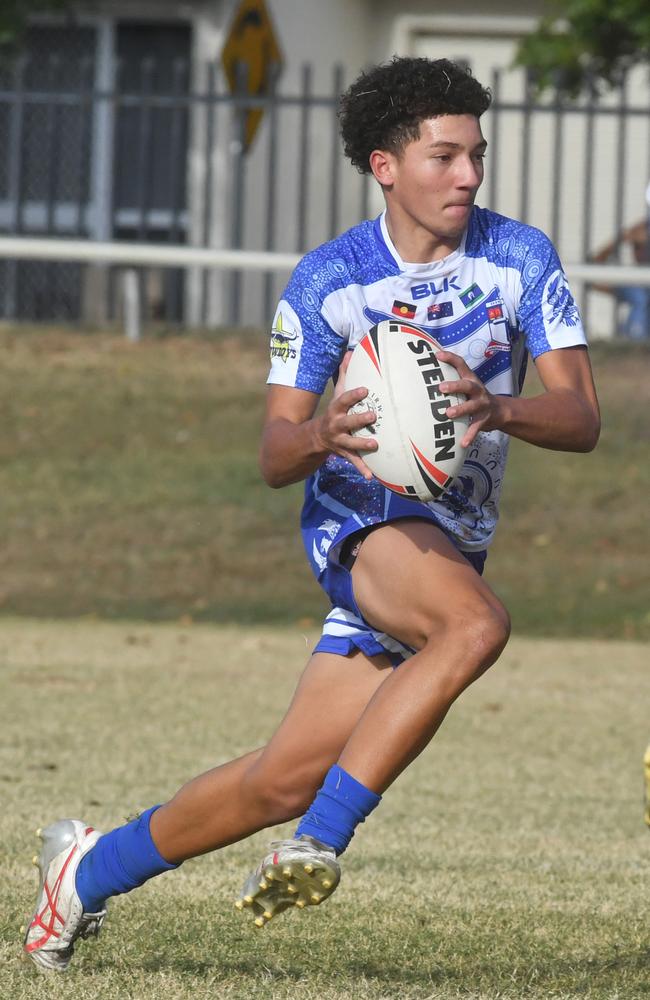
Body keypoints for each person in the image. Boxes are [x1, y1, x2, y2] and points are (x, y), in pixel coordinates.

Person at [22, 56, 600, 972]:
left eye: (476, 155)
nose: (469, 176)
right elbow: (272, 454)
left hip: (453, 540)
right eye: (445, 156)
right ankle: (322, 843)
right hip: (362, 520)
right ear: (385, 165)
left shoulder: (519, 259)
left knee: (280, 777)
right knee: (474, 627)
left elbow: (582, 418)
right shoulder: (331, 279)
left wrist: (501, 409)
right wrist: (325, 432)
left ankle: (86, 872)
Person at [588, 219, 650, 340]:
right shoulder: (633, 283)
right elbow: (593, 266)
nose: (641, 253)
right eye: (637, 247)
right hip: (638, 294)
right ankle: (635, 343)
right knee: (640, 297)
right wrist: (620, 239)